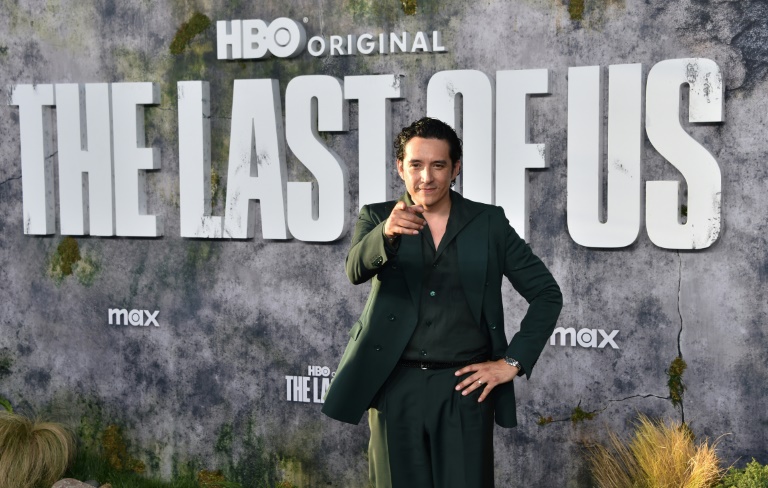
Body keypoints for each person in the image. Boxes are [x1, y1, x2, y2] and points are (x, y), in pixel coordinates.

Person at [321, 117, 562, 487]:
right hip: (392, 385)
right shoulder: (377, 216)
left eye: (438, 165)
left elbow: (547, 294)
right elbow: (355, 270)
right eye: (416, 164)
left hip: (464, 389)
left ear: (455, 169)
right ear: (400, 167)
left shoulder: (489, 222)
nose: (426, 177)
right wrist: (386, 233)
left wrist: (512, 362)